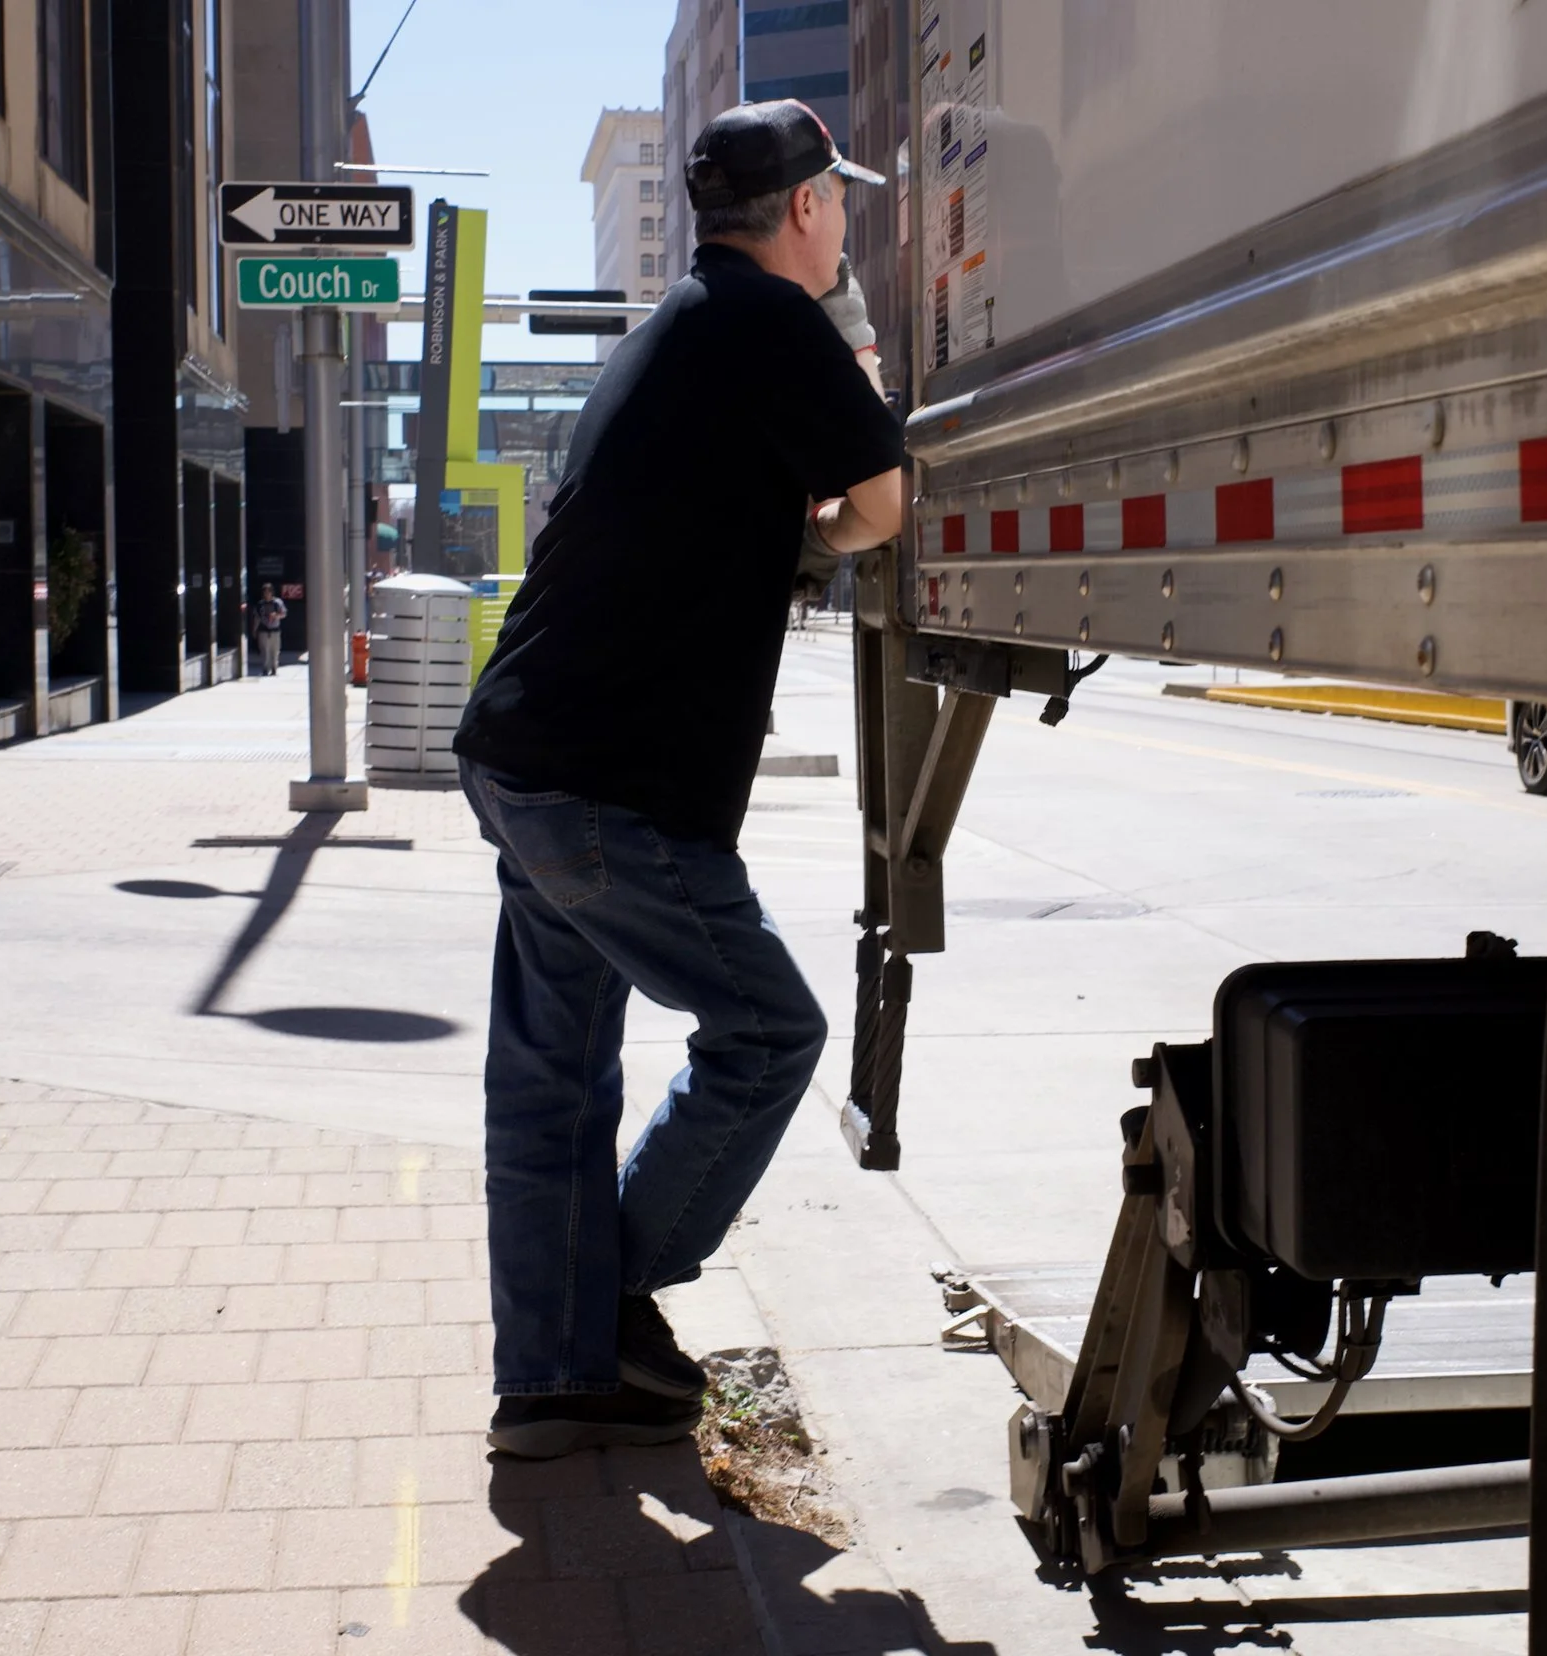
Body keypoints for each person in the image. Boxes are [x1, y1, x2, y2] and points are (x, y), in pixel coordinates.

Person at [449, 100, 902, 1459]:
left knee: (548, 1082)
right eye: (842, 208)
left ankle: (552, 1381)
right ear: (810, 207)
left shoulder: (670, 328)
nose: (845, 230)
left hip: (525, 757)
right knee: (768, 1035)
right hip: (614, 784)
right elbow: (881, 503)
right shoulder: (773, 326)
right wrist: (853, 385)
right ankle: (604, 1312)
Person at [254, 584, 286, 675]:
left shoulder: (278, 602)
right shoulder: (260, 604)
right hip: (263, 630)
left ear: (272, 592)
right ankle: (265, 668)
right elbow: (257, 618)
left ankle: (274, 668)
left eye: (269, 591)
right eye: (265, 592)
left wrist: (277, 615)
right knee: (264, 650)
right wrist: (255, 630)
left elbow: (284, 614)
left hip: (275, 630)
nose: (267, 594)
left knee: (275, 650)